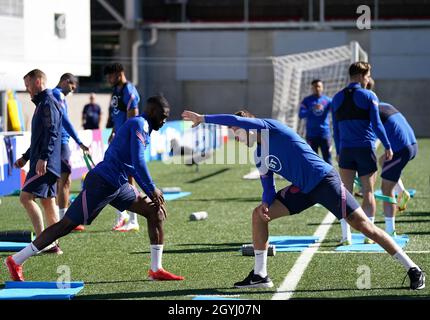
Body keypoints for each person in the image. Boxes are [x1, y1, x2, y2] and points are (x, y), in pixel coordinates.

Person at [182, 109, 425, 290]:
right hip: (303, 189)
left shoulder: (270, 128)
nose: (235, 137)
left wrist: (203, 119)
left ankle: (413, 269)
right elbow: (268, 186)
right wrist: (267, 203)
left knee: (365, 228)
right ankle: (260, 275)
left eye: (235, 133)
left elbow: (234, 120)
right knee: (258, 215)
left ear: (248, 126)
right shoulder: (258, 155)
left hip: (325, 181)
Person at [5, 95, 184, 282]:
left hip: (118, 184)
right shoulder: (140, 125)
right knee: (66, 225)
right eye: (163, 115)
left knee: (155, 212)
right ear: (153, 111)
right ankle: (16, 260)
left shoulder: (144, 127)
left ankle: (156, 270)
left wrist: (149, 192)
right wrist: (152, 188)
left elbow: (132, 166)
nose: (164, 120)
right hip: (102, 183)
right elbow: (138, 162)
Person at [331, 62, 393, 246]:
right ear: (361, 75)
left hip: (346, 151)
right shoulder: (369, 95)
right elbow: (377, 124)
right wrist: (388, 145)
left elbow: (336, 130)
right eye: (367, 75)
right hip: (365, 149)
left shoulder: (336, 98)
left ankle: (345, 236)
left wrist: (339, 150)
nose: (368, 79)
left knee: (345, 194)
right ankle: (369, 235)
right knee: (368, 192)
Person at [13, 69, 63, 253]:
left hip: (45, 163)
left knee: (25, 197)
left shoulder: (47, 102)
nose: (27, 89)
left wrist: (43, 158)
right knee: (48, 203)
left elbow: (52, 133)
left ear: (38, 81)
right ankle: (54, 244)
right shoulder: (42, 103)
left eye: (28, 84)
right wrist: (25, 157)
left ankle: (43, 242)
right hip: (44, 161)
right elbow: (40, 137)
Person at [366, 78, 417, 235]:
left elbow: (372, 142)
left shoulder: (371, 111)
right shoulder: (385, 105)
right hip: (413, 146)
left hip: (401, 151)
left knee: (385, 190)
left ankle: (390, 231)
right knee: (383, 161)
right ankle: (402, 192)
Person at [104, 63, 140, 232]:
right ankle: (123, 214)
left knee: (129, 179)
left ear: (119, 74)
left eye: (110, 75)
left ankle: (133, 219)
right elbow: (117, 116)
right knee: (118, 179)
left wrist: (126, 141)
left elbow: (133, 121)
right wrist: (113, 133)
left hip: (127, 143)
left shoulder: (129, 91)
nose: (108, 79)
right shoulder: (116, 91)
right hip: (119, 141)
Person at [52, 73, 89, 233]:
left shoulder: (56, 95)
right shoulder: (57, 94)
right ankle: (64, 221)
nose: (73, 90)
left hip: (59, 142)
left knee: (58, 181)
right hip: (60, 142)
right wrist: (79, 141)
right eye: (73, 86)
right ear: (66, 81)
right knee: (64, 181)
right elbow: (65, 120)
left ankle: (59, 219)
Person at [298, 79, 333, 164]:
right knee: (313, 160)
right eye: (315, 87)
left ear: (322, 87)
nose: (317, 88)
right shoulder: (307, 100)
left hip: (324, 134)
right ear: (312, 88)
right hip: (311, 135)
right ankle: (315, 177)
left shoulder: (328, 101)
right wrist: (312, 108)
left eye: (319, 86)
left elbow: (335, 113)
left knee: (327, 159)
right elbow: (301, 114)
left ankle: (330, 177)